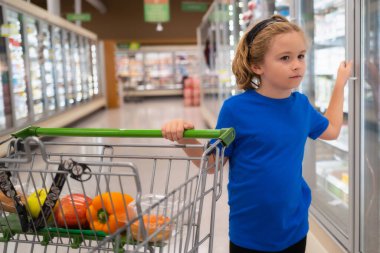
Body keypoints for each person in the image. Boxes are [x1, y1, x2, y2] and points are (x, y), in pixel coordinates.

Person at [161, 15, 352, 253]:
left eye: (301, 56)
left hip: (294, 226)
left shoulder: (301, 106)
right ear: (257, 66)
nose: (297, 65)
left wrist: (339, 84)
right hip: (249, 233)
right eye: (285, 58)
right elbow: (211, 165)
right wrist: (184, 136)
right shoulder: (236, 109)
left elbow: (332, 130)